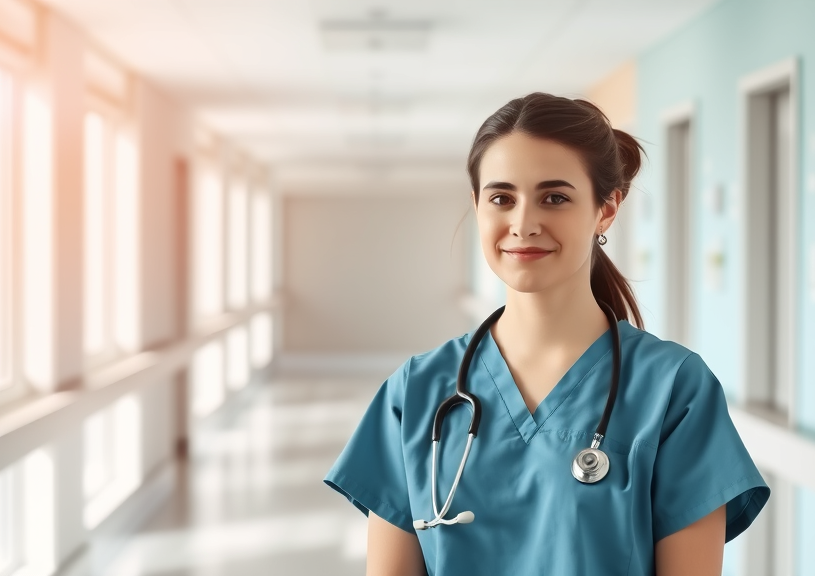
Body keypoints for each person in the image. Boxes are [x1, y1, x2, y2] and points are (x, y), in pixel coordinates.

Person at [324, 92, 770, 576]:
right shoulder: (415, 391)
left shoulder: (674, 390)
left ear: (606, 209)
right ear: (477, 206)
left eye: (554, 197)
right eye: (501, 198)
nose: (524, 224)